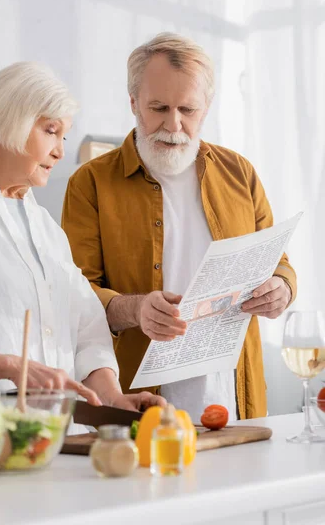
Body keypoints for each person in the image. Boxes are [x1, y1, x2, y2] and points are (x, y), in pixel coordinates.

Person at [61, 33, 297, 421]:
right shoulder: (91, 184)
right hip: (140, 402)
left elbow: (279, 262)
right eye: (159, 107)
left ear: (206, 107)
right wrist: (135, 309)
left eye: (188, 108)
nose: (174, 124)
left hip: (237, 396)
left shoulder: (240, 173)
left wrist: (282, 287)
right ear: (133, 102)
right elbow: (74, 297)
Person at [0, 62, 164, 430]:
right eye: (51, 131)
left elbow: (87, 328)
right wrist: (8, 366)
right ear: (9, 121)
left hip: (59, 444)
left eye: (64, 136)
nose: (59, 151)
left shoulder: (46, 228)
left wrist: (112, 399)